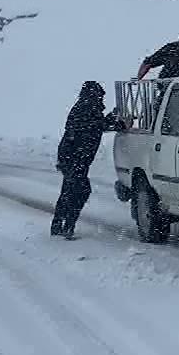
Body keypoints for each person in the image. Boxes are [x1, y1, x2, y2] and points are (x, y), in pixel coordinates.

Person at [51, 81, 124, 238]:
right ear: (94, 95)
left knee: (69, 192)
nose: (102, 99)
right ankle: (66, 227)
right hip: (74, 158)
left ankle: (59, 226)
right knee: (80, 191)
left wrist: (111, 121)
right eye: (100, 96)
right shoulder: (87, 107)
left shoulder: (85, 107)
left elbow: (94, 125)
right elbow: (92, 126)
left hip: (73, 158)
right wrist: (113, 123)